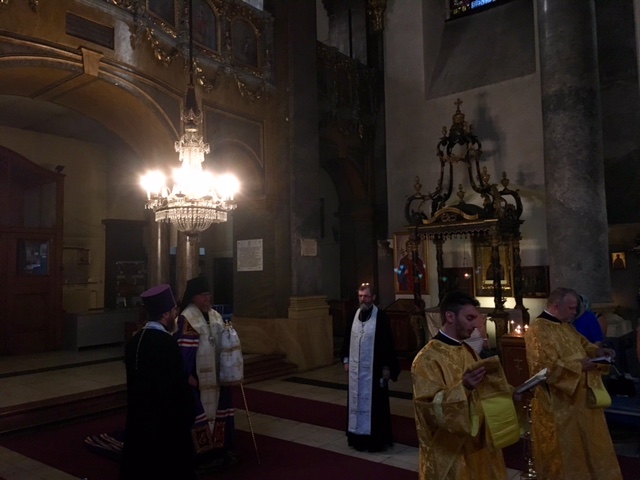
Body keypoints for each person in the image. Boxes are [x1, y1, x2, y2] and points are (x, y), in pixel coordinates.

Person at [411, 291, 519, 480]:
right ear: (450, 317)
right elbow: (427, 409)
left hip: (479, 448)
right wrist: (464, 389)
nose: (476, 325)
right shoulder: (426, 359)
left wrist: (512, 393)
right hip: (452, 453)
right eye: (470, 318)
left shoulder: (468, 350)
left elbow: (485, 387)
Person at [524, 287, 622, 480]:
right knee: (566, 457)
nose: (574, 313)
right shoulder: (538, 330)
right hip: (559, 405)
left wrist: (598, 352)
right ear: (556, 306)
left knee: (589, 448)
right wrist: (579, 367)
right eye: (571, 308)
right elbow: (543, 369)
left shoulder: (565, 326)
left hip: (581, 401)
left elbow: (584, 345)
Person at [120, 284, 196, 480]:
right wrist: (189, 412)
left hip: (139, 420)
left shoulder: (135, 342)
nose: (176, 315)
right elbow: (177, 386)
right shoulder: (166, 344)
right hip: (164, 424)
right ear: (165, 314)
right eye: (174, 311)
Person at [175, 276, 238, 469]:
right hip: (198, 380)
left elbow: (227, 344)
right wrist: (187, 376)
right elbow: (183, 352)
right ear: (193, 297)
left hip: (218, 378)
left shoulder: (216, 316)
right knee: (198, 415)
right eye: (203, 295)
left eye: (208, 295)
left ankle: (219, 448)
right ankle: (200, 454)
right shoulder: (187, 318)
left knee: (219, 412)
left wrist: (232, 368)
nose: (207, 299)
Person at [340, 282, 400, 452]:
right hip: (356, 372)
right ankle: (357, 438)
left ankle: (375, 441)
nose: (363, 299)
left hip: (374, 371)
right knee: (356, 402)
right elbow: (347, 339)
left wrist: (387, 367)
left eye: (366, 296)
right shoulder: (354, 315)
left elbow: (388, 343)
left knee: (376, 406)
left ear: (373, 297)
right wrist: (346, 360)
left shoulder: (380, 316)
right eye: (360, 296)